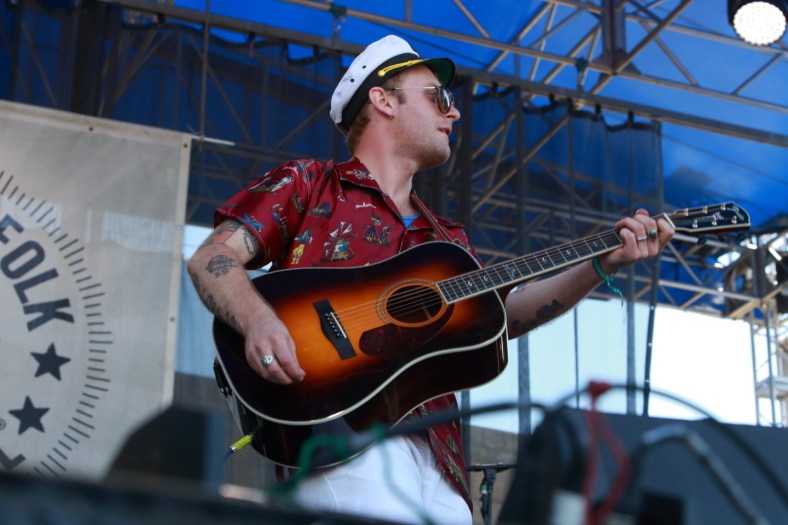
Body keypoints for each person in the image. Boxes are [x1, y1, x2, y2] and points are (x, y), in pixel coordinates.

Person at [187, 34, 675, 525]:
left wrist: (600, 263)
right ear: (384, 100)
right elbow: (212, 257)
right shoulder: (311, 184)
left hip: (441, 459)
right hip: (345, 433)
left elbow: (503, 317)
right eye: (437, 97)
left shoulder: (448, 241)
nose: (454, 112)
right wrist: (257, 320)